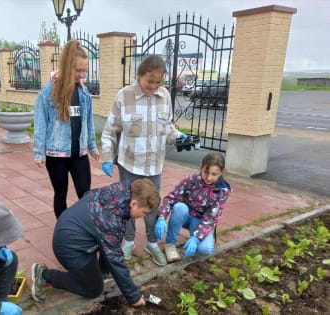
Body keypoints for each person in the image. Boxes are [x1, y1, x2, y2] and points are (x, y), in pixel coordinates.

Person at [100, 54, 186, 266]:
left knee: (151, 205)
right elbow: (110, 130)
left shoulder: (164, 95)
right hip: (129, 163)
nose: (154, 86)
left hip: (154, 164)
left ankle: (152, 242)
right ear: (139, 76)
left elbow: (168, 127)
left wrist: (178, 137)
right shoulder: (124, 96)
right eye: (150, 81)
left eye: (158, 82)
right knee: (129, 203)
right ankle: (128, 240)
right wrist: (107, 157)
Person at [31, 178, 161, 307]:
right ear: (133, 203)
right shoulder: (111, 219)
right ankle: (43, 275)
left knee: (111, 244)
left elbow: (88, 195)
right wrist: (134, 296)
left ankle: (101, 274)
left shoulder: (120, 190)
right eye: (144, 212)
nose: (143, 216)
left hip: (74, 230)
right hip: (69, 248)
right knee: (94, 290)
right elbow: (115, 260)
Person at [33, 39, 100, 219]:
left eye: (84, 70)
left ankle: (84, 229)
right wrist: (39, 152)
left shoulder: (84, 92)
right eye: (78, 70)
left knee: (86, 195)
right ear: (67, 66)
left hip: (79, 154)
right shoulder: (49, 91)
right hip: (56, 156)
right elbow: (40, 124)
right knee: (60, 194)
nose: (82, 75)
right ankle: (64, 233)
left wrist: (92, 146)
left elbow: (88, 123)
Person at [154, 152, 231, 263]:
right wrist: (161, 217)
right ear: (201, 167)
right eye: (206, 172)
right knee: (180, 207)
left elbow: (211, 217)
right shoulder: (191, 180)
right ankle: (170, 244)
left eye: (214, 174)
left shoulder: (223, 191)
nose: (209, 178)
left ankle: (193, 237)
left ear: (221, 172)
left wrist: (197, 237)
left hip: (200, 221)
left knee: (206, 250)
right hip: (183, 215)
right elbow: (171, 198)